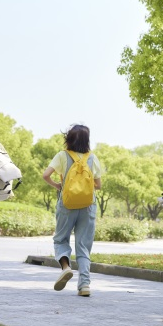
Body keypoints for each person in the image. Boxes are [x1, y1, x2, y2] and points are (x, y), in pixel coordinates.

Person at [42, 124, 102, 297]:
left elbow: (46, 175)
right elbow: (98, 185)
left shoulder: (62, 156)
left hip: (67, 204)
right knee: (83, 246)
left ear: (69, 138)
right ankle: (84, 285)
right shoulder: (92, 158)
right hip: (88, 206)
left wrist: (57, 186)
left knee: (61, 239)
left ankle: (66, 267)